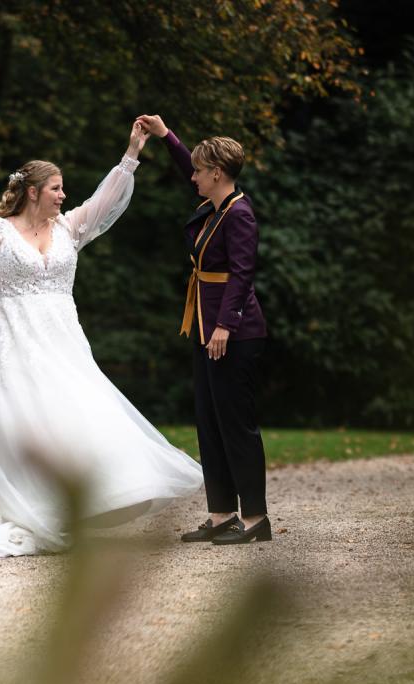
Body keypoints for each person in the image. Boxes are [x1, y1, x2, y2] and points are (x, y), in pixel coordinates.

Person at [0, 121, 203, 558]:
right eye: (57, 188)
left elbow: (104, 202)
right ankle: (26, 506)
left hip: (62, 338)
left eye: (64, 189)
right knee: (21, 421)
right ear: (33, 191)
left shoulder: (68, 228)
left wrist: (132, 152)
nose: (64, 195)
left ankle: (76, 503)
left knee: (77, 414)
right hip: (14, 339)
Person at [137, 115, 271, 546]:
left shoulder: (240, 214)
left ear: (216, 173)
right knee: (209, 422)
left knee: (237, 424)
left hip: (233, 333)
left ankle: (255, 519)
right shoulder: (214, 207)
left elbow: (242, 274)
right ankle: (221, 516)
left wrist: (224, 327)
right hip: (203, 327)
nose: (191, 176)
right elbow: (187, 169)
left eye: (198, 170)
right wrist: (166, 137)